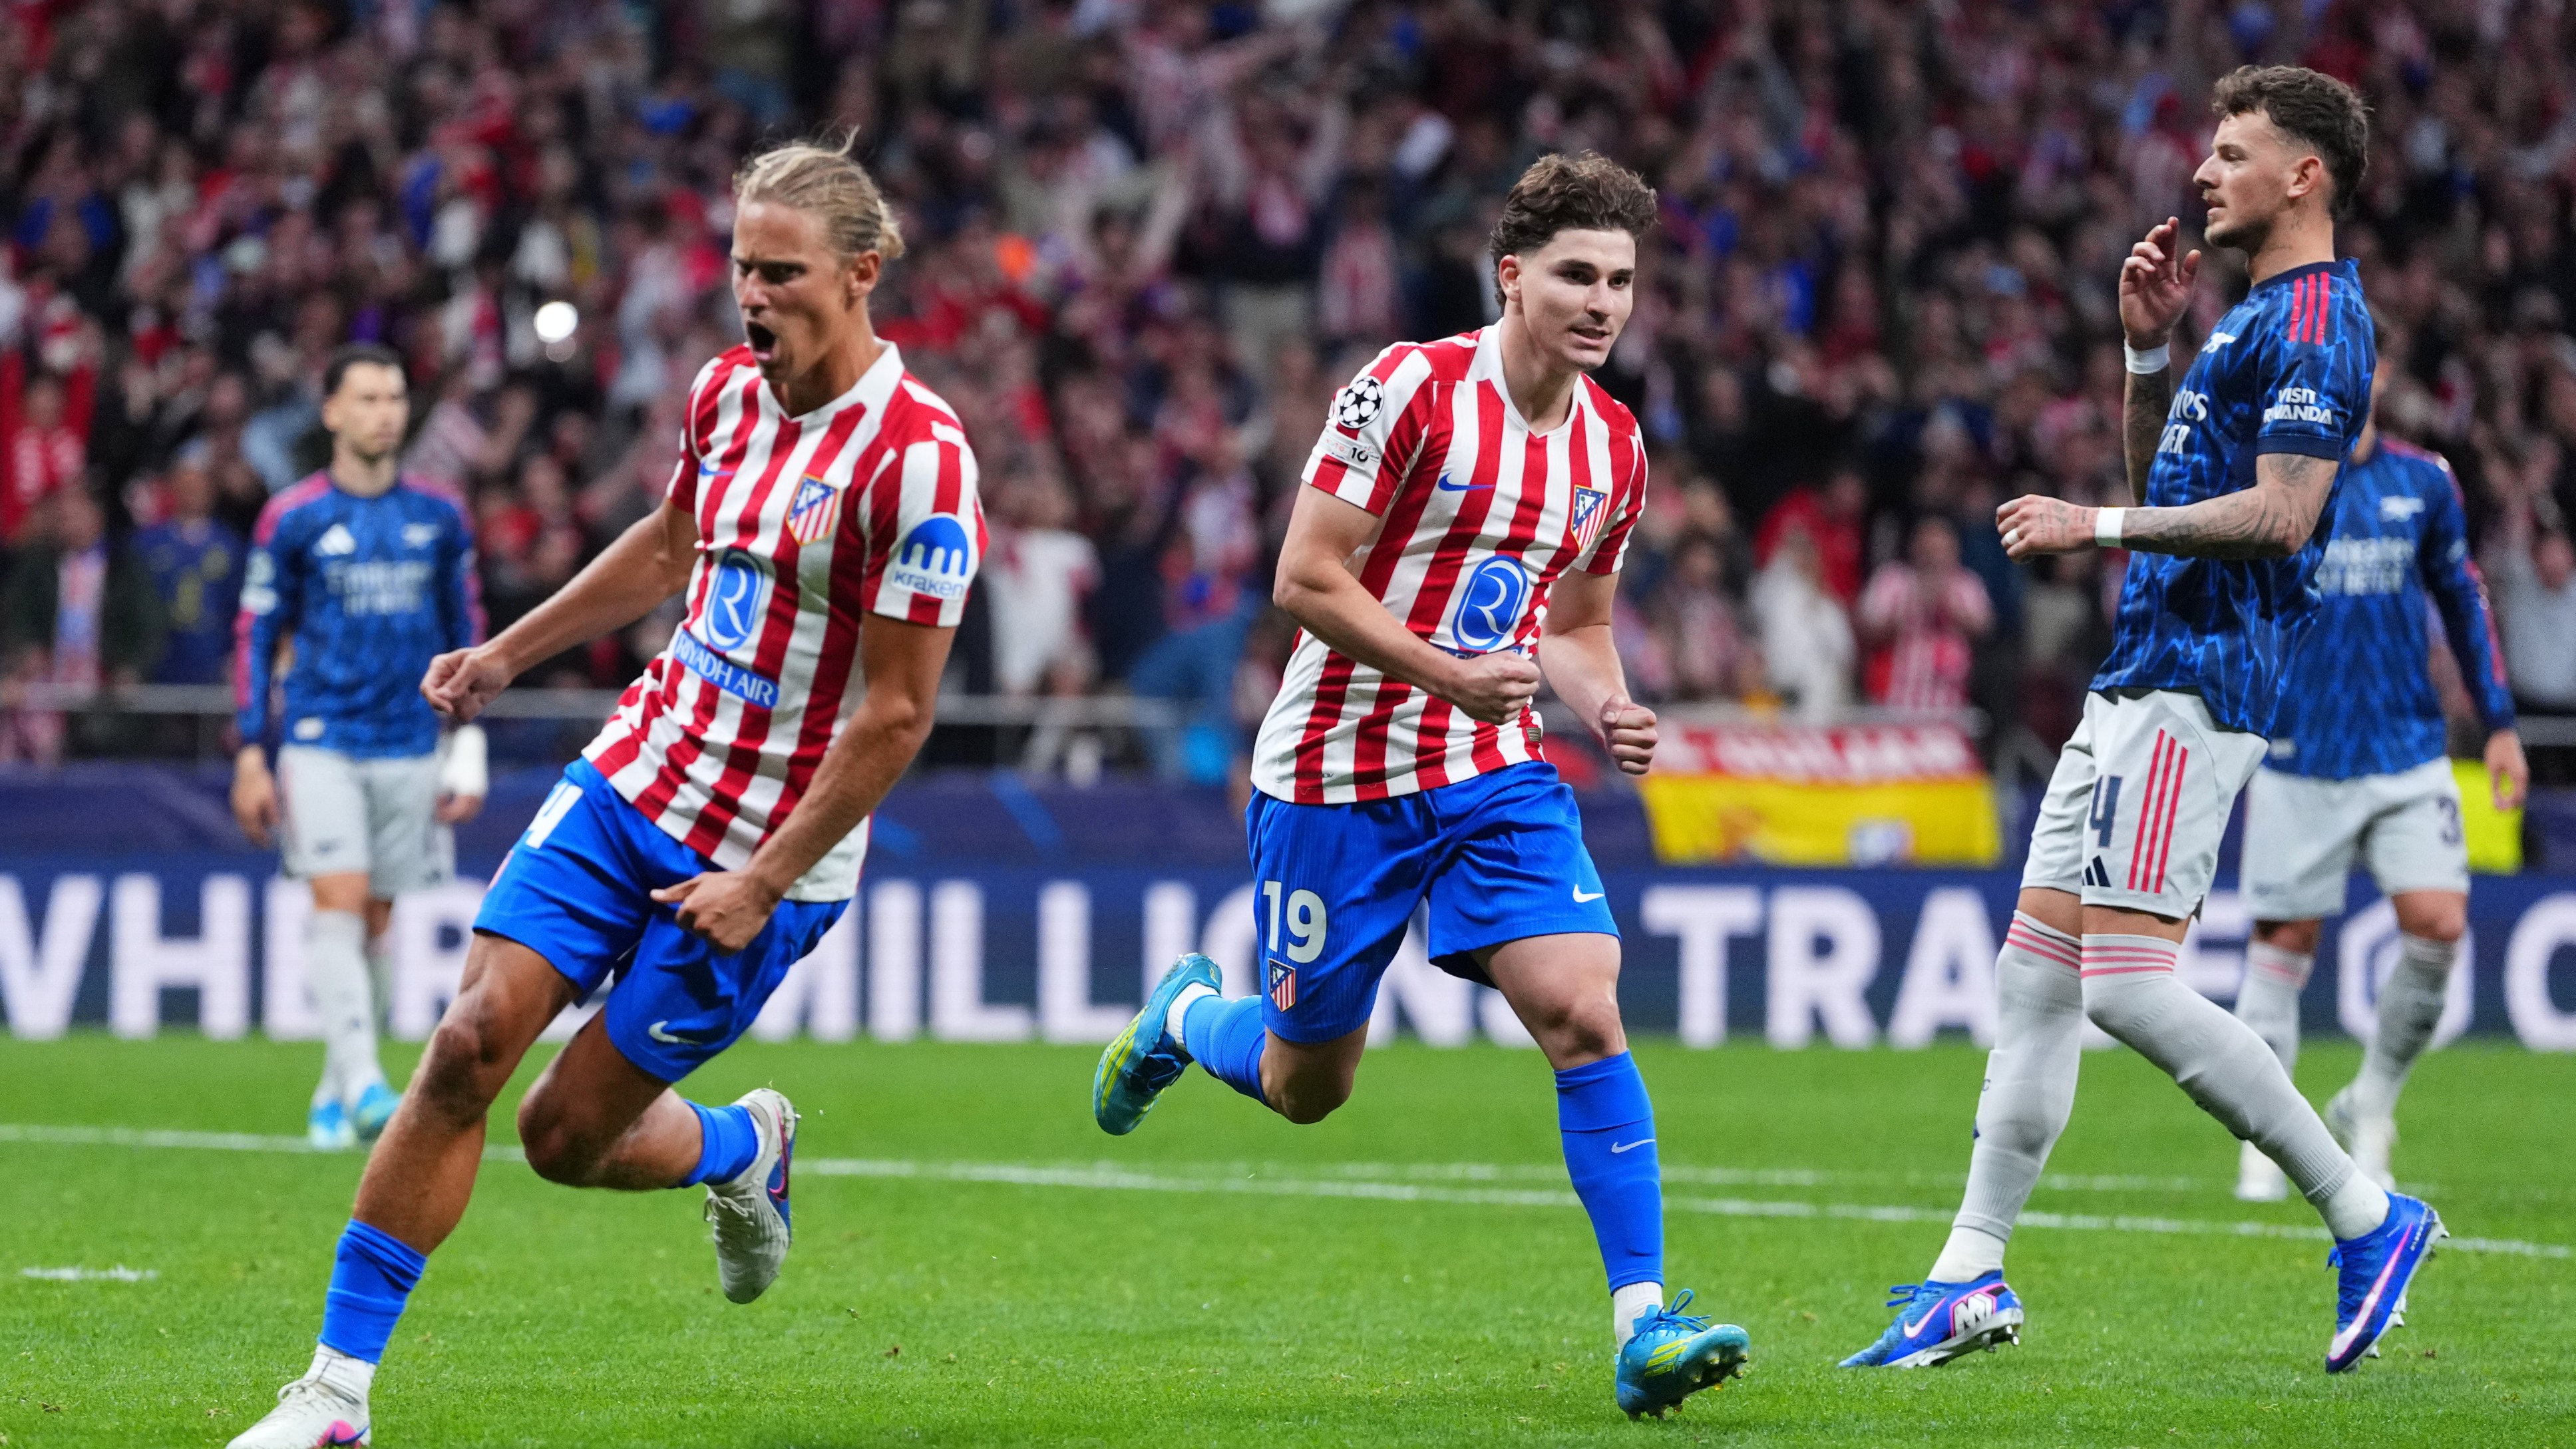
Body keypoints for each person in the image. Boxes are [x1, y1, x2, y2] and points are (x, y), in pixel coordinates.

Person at [226, 138, 983, 1448]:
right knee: (465, 1044)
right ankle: (334, 1393)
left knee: (565, 1134)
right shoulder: (725, 395)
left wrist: (758, 876)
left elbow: (897, 711)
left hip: (766, 853)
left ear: (863, 275)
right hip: (641, 769)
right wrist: (507, 651)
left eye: (784, 273)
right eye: (742, 266)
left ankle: (742, 1149)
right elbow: (669, 546)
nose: (754, 295)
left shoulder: (920, 464)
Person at [1091, 152, 1750, 1420]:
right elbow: (1304, 577)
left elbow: (1577, 620)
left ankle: (1642, 1321)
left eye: (1620, 279)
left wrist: (1602, 696)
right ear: (1512, 276)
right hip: (1335, 778)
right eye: (1576, 275)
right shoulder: (1410, 388)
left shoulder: (1614, 447)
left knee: (1583, 1010)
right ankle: (1181, 1019)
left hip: (1490, 769)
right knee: (1305, 1086)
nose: (1603, 301)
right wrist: (1450, 674)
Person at [1843, 67, 2439, 1376]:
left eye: (2232, 152)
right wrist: (2144, 355)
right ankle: (1968, 1273)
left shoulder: (2329, 318)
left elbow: (2280, 515)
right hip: (2137, 671)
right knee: (2035, 982)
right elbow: (2166, 479)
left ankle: (2365, 1210)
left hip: (2201, 681)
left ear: (2305, 176)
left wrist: (2088, 525)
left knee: (2124, 984)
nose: (2203, 172)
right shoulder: (2242, 319)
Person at [2231, 372, 2526, 1201]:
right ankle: (2266, 1133)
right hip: (2301, 749)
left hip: (2404, 748)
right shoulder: (2275, 481)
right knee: (2282, 943)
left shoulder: (2423, 479)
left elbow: (2462, 598)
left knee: (2439, 927)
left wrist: (2497, 721)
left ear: (2381, 379)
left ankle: (2371, 1103)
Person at [229, 343, 486, 1153]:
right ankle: (372, 1085)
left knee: (377, 917)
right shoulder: (295, 516)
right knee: (338, 898)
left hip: (410, 741)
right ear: (332, 410)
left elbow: (465, 630)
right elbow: (255, 631)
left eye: (395, 396)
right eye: (368, 397)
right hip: (320, 737)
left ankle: (337, 1083)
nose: (385, 411)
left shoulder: (440, 516)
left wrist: (468, 739)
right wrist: (248, 749)